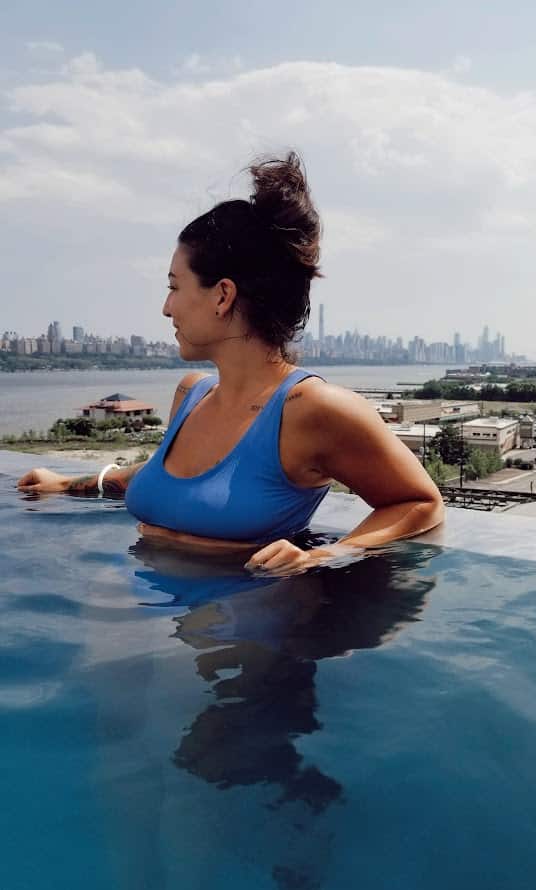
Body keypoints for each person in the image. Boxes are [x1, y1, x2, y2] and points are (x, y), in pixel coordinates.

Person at [17, 152, 444, 574]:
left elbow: (420, 503)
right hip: (157, 612)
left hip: (242, 629)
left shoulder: (311, 409)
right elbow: (160, 476)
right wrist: (66, 485)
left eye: (174, 287)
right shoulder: (192, 393)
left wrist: (328, 555)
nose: (167, 308)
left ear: (222, 295)